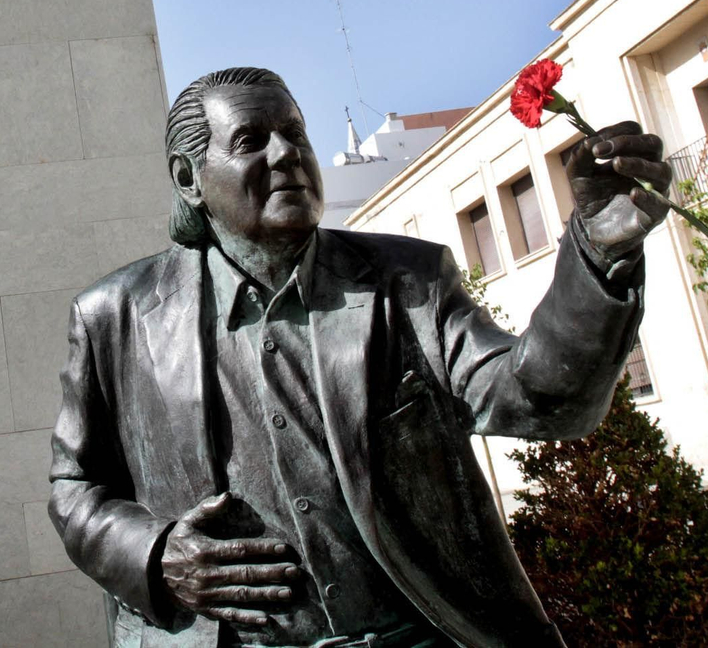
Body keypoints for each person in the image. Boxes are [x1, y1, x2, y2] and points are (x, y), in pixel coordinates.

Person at [49, 67, 671, 647]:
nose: (287, 153)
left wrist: (596, 253)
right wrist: (157, 558)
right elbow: (77, 487)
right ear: (190, 179)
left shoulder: (410, 282)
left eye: (295, 133)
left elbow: (537, 399)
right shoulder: (116, 318)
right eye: (251, 140)